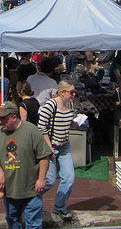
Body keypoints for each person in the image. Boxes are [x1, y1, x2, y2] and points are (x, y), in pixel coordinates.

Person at [0, 101, 52, 229]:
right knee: (12, 221)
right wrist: (1, 173)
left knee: (34, 223)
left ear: (14, 117)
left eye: (4, 119)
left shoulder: (31, 131)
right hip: (10, 190)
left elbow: (44, 155)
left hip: (31, 189)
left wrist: (41, 179)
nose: (1, 121)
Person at [37, 80, 78, 221]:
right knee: (49, 179)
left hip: (64, 144)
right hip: (51, 145)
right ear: (62, 92)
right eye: (71, 92)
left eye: (74, 92)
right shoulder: (50, 105)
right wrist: (49, 149)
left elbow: (68, 122)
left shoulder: (71, 105)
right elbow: (42, 128)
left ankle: (60, 207)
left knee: (69, 177)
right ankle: (32, 198)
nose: (74, 94)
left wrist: (73, 123)